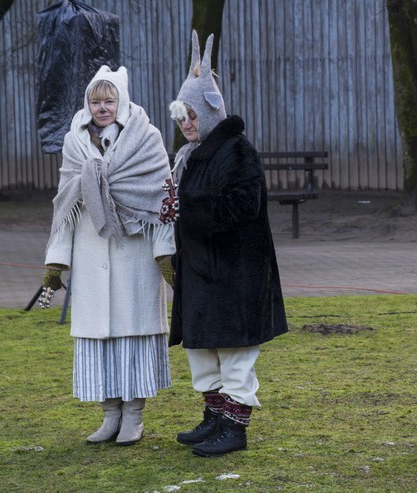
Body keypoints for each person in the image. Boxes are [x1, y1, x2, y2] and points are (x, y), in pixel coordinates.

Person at [167, 31, 289, 458]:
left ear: (210, 112)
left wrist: (187, 208)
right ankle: (215, 417)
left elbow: (242, 205)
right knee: (203, 351)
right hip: (203, 272)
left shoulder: (235, 151)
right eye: (181, 116)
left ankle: (234, 428)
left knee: (235, 354)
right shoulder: (192, 156)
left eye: (192, 115)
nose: (186, 124)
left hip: (235, 273)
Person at [42, 65, 176, 446]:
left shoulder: (146, 139)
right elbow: (64, 203)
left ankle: (133, 416)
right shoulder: (74, 143)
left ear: (122, 101)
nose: (102, 107)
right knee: (99, 340)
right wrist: (56, 260)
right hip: (90, 253)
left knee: (132, 338)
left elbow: (161, 200)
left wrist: (165, 253)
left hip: (134, 255)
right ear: (88, 104)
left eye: (109, 100)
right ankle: (109, 415)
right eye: (95, 101)